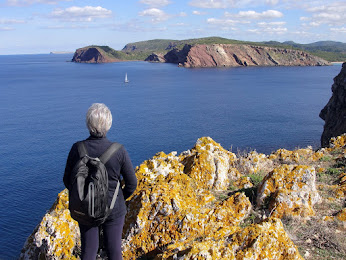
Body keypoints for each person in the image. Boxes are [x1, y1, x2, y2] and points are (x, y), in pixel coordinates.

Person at [63, 103, 137, 260]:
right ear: (108, 124)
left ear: (88, 124)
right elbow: (132, 184)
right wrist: (118, 199)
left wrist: (84, 197)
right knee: (114, 250)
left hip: (86, 208)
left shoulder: (77, 149)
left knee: (89, 251)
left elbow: (66, 180)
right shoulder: (119, 151)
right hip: (113, 208)